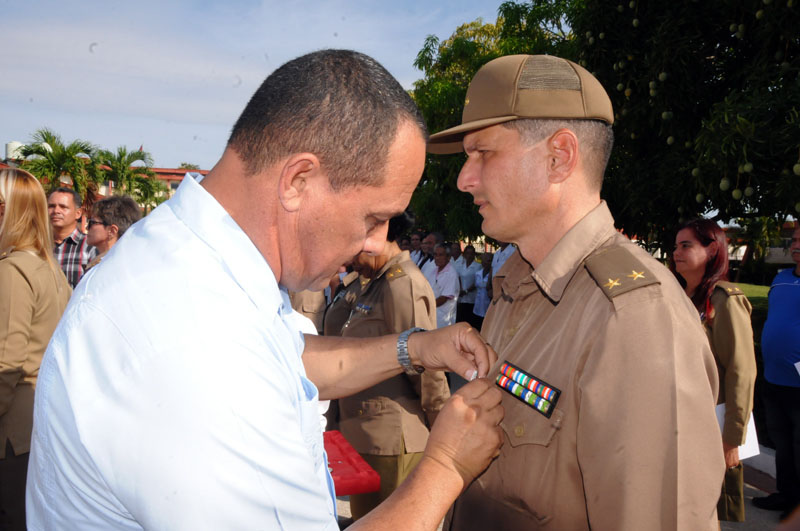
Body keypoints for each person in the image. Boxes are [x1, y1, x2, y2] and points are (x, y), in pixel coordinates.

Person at [26, 49, 503, 530]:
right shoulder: (194, 344)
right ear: (297, 181)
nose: (377, 241)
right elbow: (241, 367)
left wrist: (415, 346)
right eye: (373, 217)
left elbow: (285, 359)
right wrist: (445, 467)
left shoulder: (197, 265)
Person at [427, 54, 723, 530]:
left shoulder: (635, 319)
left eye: (483, 153)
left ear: (559, 156)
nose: (465, 179)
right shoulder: (516, 285)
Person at [323, 211, 449, 519]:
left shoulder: (400, 285)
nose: (350, 261)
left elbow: (425, 364)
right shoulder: (369, 282)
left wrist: (442, 423)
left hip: (391, 438)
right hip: (364, 434)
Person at [671, 218, 756, 522]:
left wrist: (732, 438)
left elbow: (741, 372)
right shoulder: (680, 298)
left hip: (711, 424)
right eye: (675, 245)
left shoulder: (724, 300)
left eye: (686, 245)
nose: (676, 252)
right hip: (681, 420)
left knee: (704, 511)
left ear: (711, 250)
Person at [0, 169, 71, 531]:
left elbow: (7, 364)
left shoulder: (15, 270)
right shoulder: (47, 266)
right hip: (39, 422)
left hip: (12, 430)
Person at [757, 225, 800, 521]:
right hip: (773, 378)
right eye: (794, 239)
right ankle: (785, 495)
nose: (795, 244)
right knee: (781, 443)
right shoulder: (781, 278)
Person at [48, 187, 96, 288]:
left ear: (78, 213)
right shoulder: (38, 245)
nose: (56, 211)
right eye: (51, 206)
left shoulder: (90, 247)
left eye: (63, 207)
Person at [85, 195, 142, 271]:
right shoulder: (127, 262)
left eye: (92, 223)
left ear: (112, 231)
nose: (87, 228)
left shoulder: (110, 267)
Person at [431, 243, 459, 328]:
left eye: (440, 255)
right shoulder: (434, 270)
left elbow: (443, 298)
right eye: (435, 255)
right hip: (432, 316)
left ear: (448, 257)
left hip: (443, 319)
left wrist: (426, 305)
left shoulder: (451, 274)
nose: (437, 258)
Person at [455, 244, 481, 326]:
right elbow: (458, 277)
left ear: (474, 254)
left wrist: (466, 291)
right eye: (467, 253)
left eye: (471, 253)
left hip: (471, 298)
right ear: (464, 254)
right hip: (461, 297)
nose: (469, 255)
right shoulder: (460, 265)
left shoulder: (478, 266)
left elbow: (477, 282)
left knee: (469, 322)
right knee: (460, 320)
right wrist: (460, 290)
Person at [471, 251, 493, 330]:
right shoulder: (478, 273)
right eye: (484, 260)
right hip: (477, 306)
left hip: (487, 307)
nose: (486, 263)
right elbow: (475, 286)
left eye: (488, 260)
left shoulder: (493, 275)